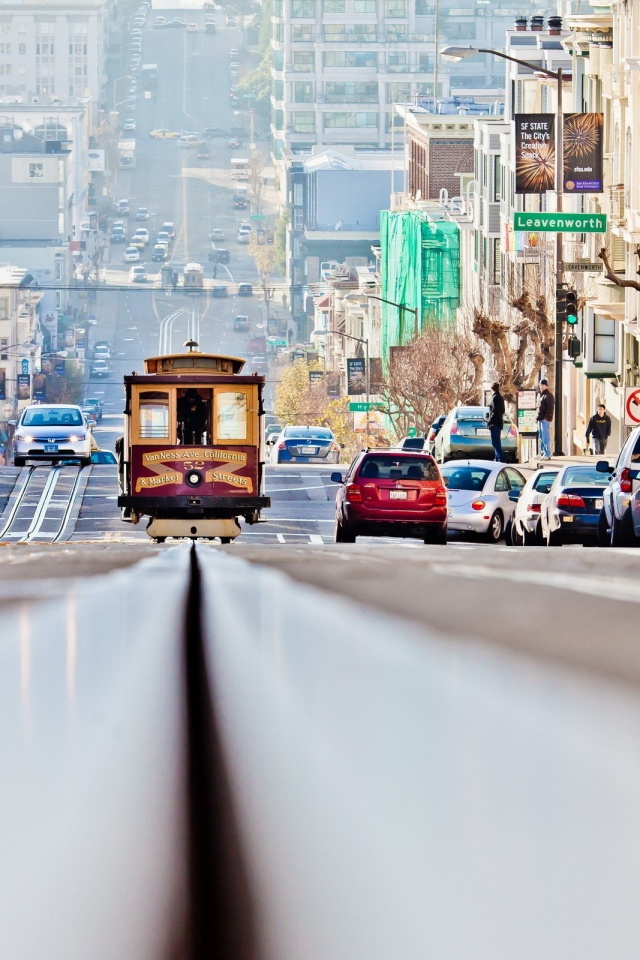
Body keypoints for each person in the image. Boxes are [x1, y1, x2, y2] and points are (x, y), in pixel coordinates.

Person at [536, 378, 555, 460]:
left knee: (545, 436)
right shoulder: (541, 395)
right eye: (541, 385)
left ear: (547, 386)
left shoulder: (549, 396)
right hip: (540, 419)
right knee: (541, 436)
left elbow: (550, 408)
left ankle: (547, 453)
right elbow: (539, 408)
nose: (542, 387)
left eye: (544, 385)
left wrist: (546, 418)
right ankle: (543, 452)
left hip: (545, 420)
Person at [487, 381, 505, 462]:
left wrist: (490, 421)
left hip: (494, 423)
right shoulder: (501, 397)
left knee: (495, 443)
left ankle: (501, 459)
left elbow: (494, 411)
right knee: (497, 442)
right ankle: (497, 459)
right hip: (499, 422)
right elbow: (502, 410)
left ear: (492, 389)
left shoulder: (495, 398)